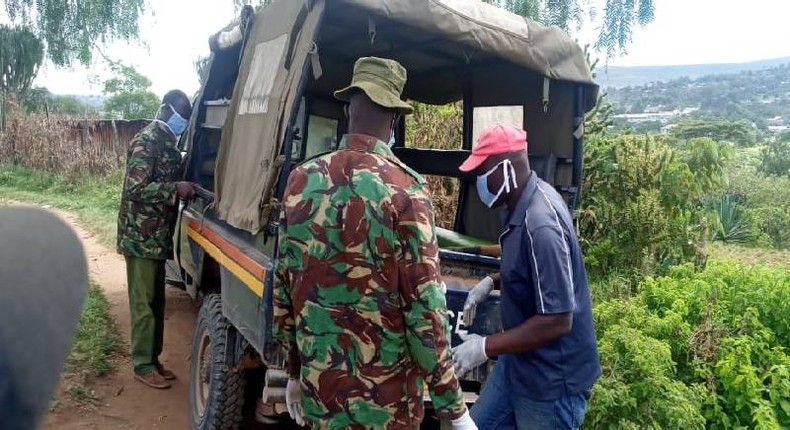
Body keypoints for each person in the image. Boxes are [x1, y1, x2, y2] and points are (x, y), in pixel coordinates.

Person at [273, 57, 476, 430]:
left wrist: (293, 370)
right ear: (395, 119)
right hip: (385, 405)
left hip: (322, 388)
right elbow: (425, 309)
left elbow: (285, 284)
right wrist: (453, 406)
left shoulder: (301, 180)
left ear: (349, 108)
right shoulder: (406, 190)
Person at [451, 123, 601, 429]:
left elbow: (559, 320)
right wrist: (491, 282)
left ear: (507, 169)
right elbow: (526, 269)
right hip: (519, 364)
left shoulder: (541, 225)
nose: (479, 180)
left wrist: (484, 347)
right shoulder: (516, 206)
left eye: (483, 171)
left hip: (550, 383)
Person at [117, 90, 195, 389]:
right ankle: (142, 364)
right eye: (178, 116)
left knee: (157, 303)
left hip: (156, 238)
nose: (181, 123)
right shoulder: (147, 141)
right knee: (143, 304)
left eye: (184, 119)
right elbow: (135, 190)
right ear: (164, 109)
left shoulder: (168, 143)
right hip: (139, 238)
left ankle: (153, 359)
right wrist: (174, 188)